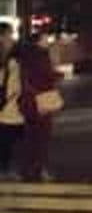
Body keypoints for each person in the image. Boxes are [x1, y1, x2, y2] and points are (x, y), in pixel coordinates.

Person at [19, 30, 62, 181]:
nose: (47, 41)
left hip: (29, 102)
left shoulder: (26, 56)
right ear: (38, 41)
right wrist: (57, 74)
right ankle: (38, 169)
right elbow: (46, 76)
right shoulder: (41, 56)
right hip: (41, 101)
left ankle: (27, 169)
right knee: (42, 138)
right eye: (45, 39)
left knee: (31, 137)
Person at [0, 21, 24, 179]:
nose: (11, 37)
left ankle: (6, 168)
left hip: (14, 103)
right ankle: (4, 169)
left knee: (13, 136)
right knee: (6, 138)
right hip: (6, 104)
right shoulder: (6, 56)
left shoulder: (15, 53)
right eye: (9, 34)